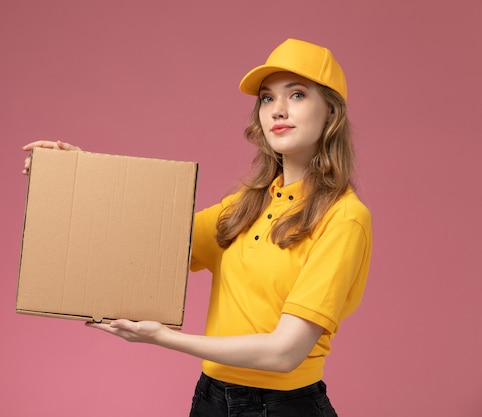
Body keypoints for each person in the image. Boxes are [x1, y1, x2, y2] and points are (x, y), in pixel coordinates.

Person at [22, 38, 372, 417]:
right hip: (212, 400)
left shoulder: (344, 218)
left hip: (286, 407)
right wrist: (77, 178)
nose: (278, 110)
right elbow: (150, 238)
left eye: (298, 95)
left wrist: (166, 339)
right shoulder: (247, 203)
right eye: (267, 99)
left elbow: (285, 352)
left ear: (331, 113)